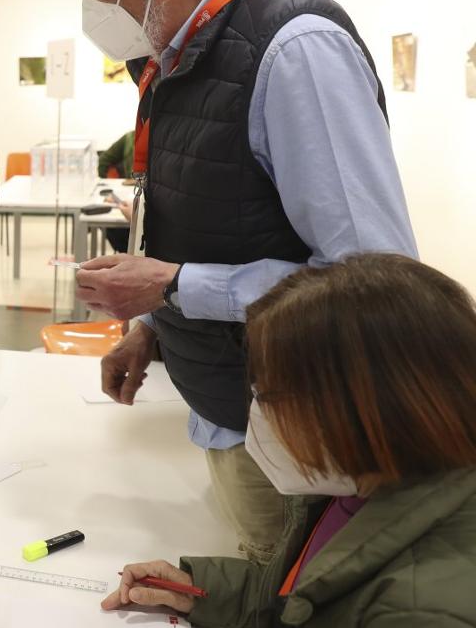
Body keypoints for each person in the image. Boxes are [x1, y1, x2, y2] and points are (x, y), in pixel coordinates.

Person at [67, 0, 417, 564]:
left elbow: (373, 284)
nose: (90, 11)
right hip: (232, 410)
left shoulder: (294, 51)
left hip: (297, 428)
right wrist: (154, 329)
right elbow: (211, 221)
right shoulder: (180, 58)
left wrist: (171, 288)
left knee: (283, 594)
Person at [103, 254, 476, 627]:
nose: (259, 414)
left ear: (364, 406)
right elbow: (298, 599)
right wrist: (200, 589)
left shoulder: (422, 608)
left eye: (272, 395)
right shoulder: (353, 489)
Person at [97, 130, 134, 253]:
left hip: (148, 200)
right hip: (129, 195)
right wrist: (108, 186)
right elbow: (104, 160)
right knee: (106, 221)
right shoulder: (129, 138)